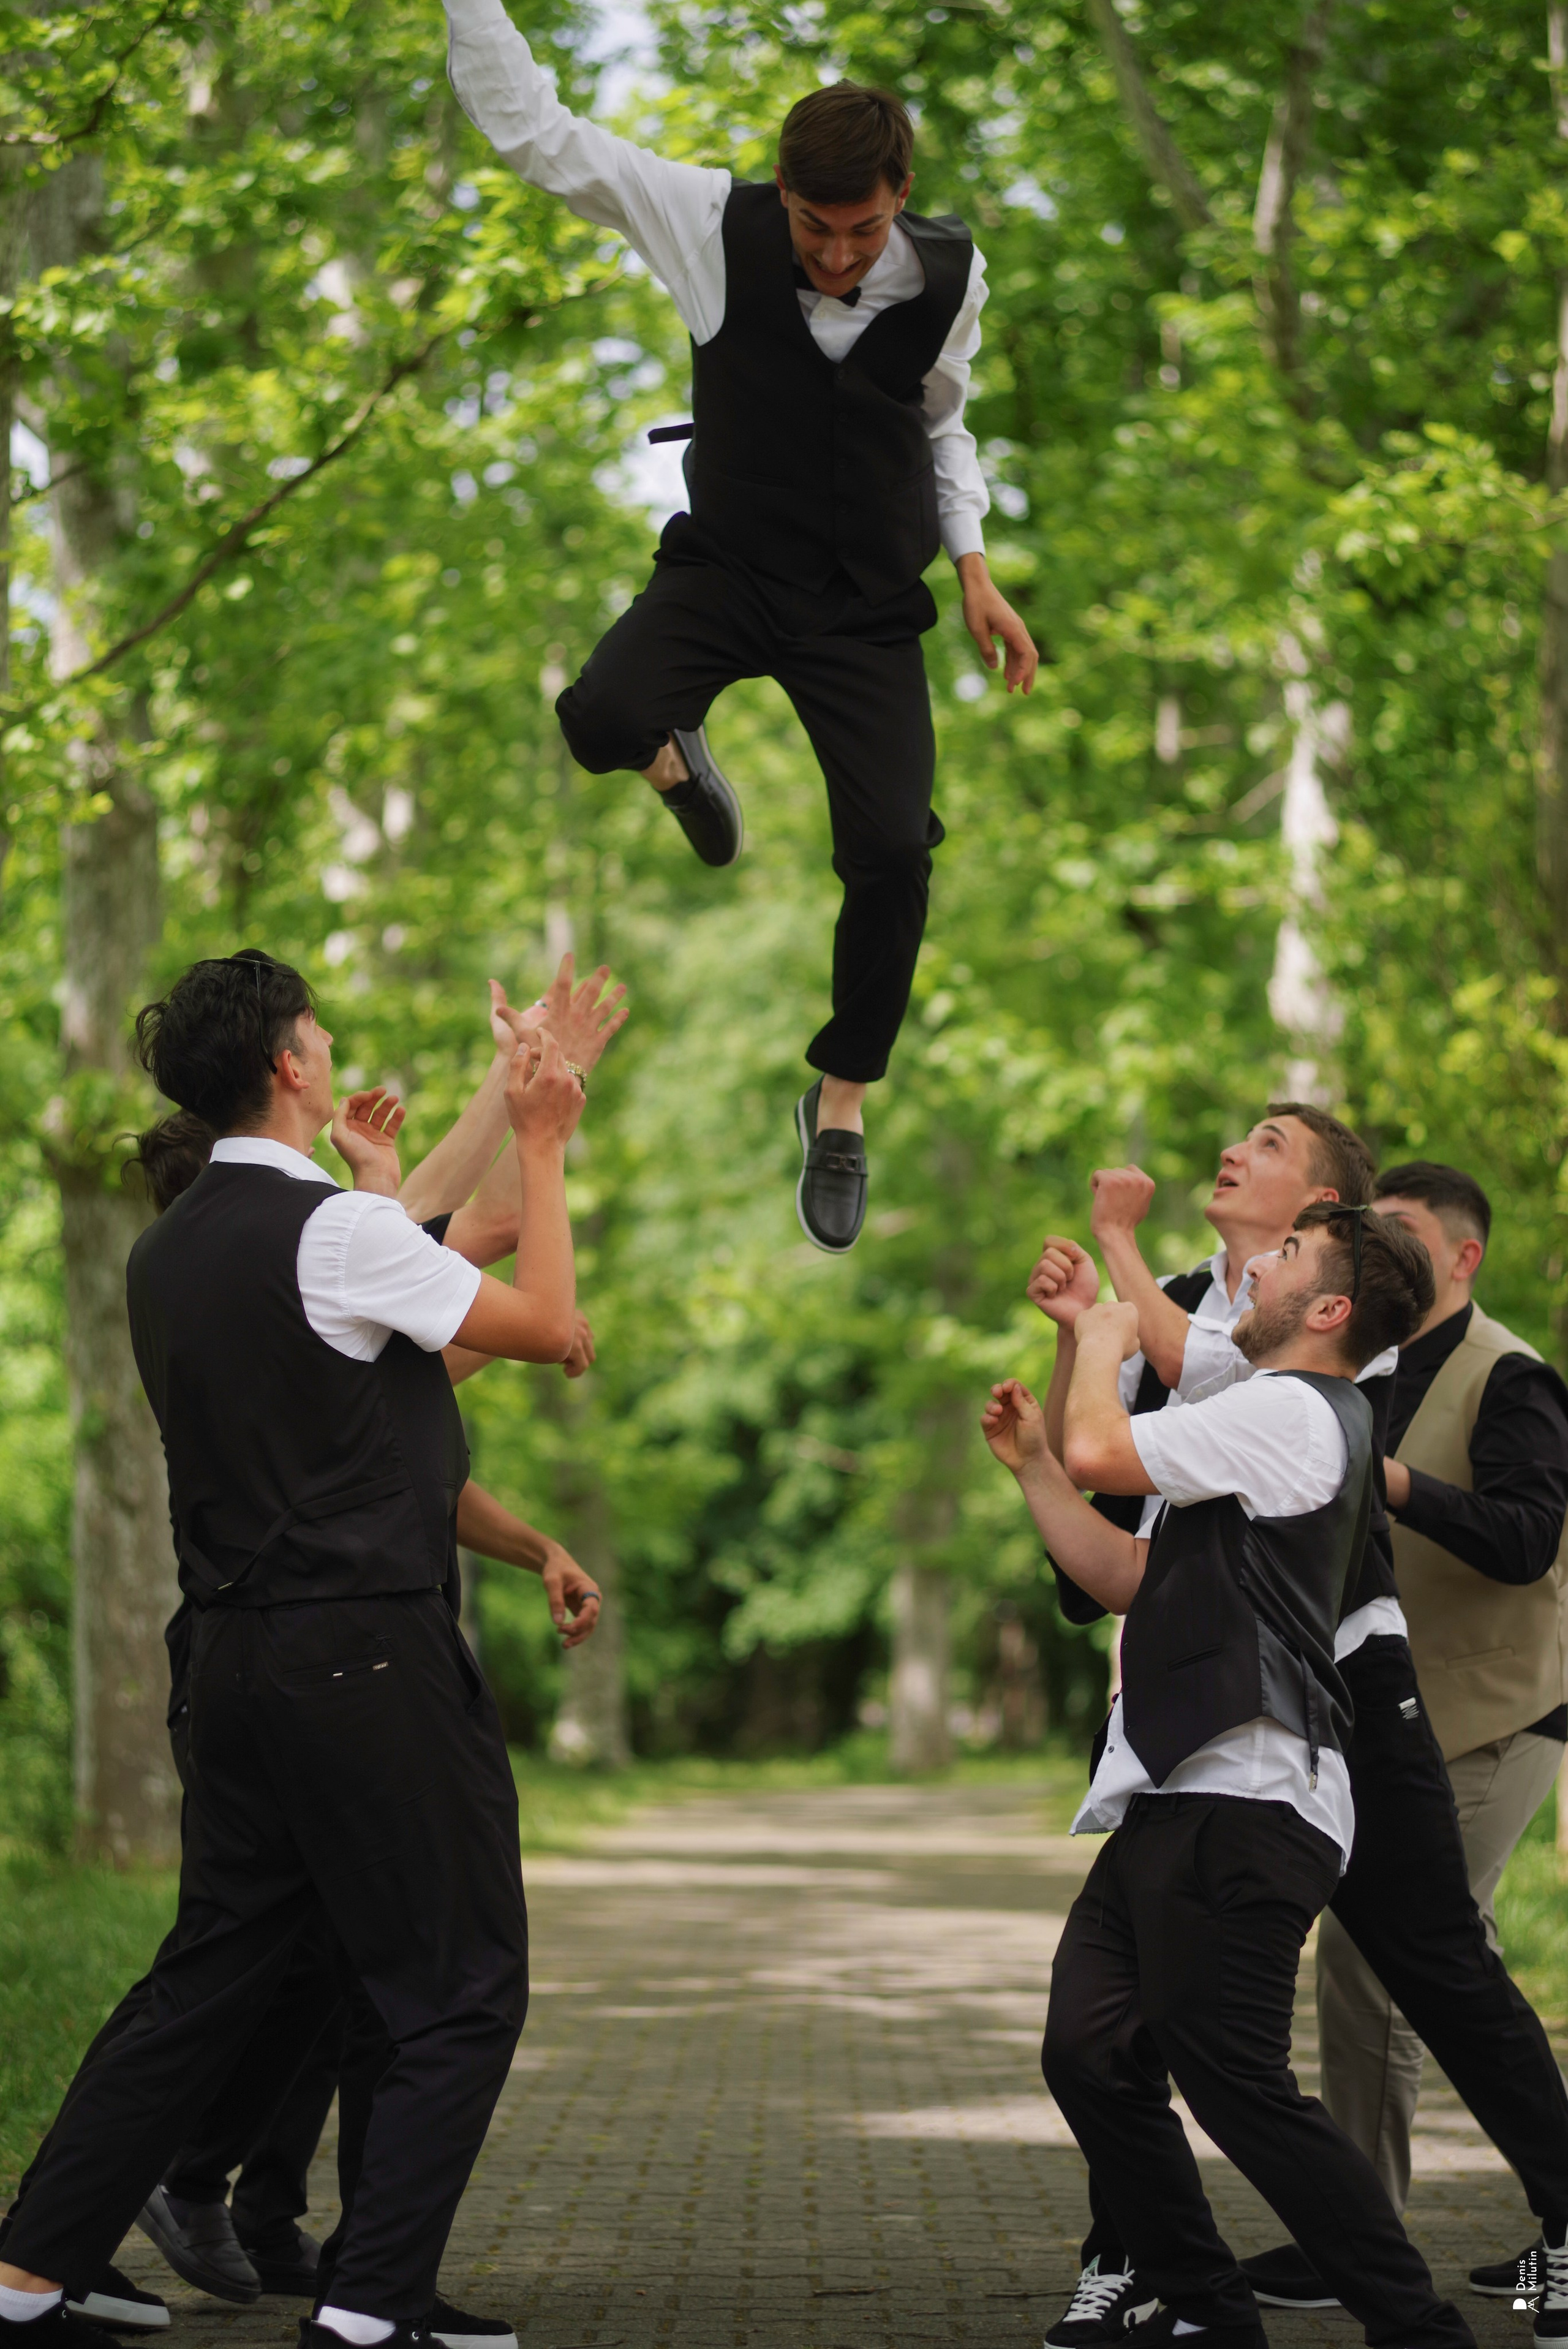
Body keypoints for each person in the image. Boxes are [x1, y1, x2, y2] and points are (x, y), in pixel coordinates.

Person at [10, 961, 624, 2341]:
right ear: (291, 1065)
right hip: (363, 1656)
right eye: (319, 1031)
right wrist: (540, 1134)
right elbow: (535, 1321)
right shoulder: (329, 1231)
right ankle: (369, 2312)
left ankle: (27, 2271)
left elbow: (391, 1282)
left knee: (209, 1975)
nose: (333, 1041)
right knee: (462, 1985)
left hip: (228, 1665)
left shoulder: (169, 1250)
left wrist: (505, 1090)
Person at [438, 0, 1040, 1252]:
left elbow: (942, 421)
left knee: (893, 853)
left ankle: (841, 1099)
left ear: (901, 195)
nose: (837, 256)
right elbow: (536, 133)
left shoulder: (949, 275)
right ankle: (676, 760)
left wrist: (975, 569)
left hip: (864, 606)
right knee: (599, 718)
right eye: (814, 228)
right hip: (732, 571)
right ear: (782, 193)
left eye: (862, 230)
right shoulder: (708, 223)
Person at [1027, 1117, 1568, 2349]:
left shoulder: (1331, 1363)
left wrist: (1106, 1299)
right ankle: (1165, 2278)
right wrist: (1077, 1359)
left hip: (1324, 1715)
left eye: (1267, 1142)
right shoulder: (1233, 1325)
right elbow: (1119, 1529)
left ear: (1324, 1210)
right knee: (1107, 2042)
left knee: (1401, 1984)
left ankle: (1446, 2278)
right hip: (1188, 1736)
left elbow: (1145, 1404)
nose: (1233, 1151)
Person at [1308, 1160, 1568, 2317]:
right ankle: (1541, 2221)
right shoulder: (1360, 1362)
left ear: (1463, 1257)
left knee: (1384, 1956)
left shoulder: (1511, 1375)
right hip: (1391, 1722)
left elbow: (1525, 1540)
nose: (1381, 1247)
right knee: (1452, 1968)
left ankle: (1362, 2239)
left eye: (1403, 1231)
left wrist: (1399, 1482)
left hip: (1495, 1714)